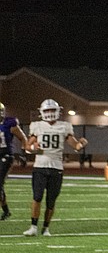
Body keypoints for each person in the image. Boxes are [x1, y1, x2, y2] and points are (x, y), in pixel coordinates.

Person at [22, 99, 88, 236]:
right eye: (47, 110)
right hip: (40, 166)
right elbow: (27, 147)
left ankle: (46, 228)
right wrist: (33, 148)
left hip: (56, 168)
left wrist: (81, 144)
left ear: (58, 111)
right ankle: (33, 226)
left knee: (51, 200)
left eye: (52, 110)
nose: (50, 113)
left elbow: (75, 145)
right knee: (37, 197)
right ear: (42, 112)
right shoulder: (37, 126)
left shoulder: (64, 126)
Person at [0, 102, 29, 220]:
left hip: (6, 156)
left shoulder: (9, 123)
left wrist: (23, 154)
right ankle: (6, 211)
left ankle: (6, 211)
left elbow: (23, 138)